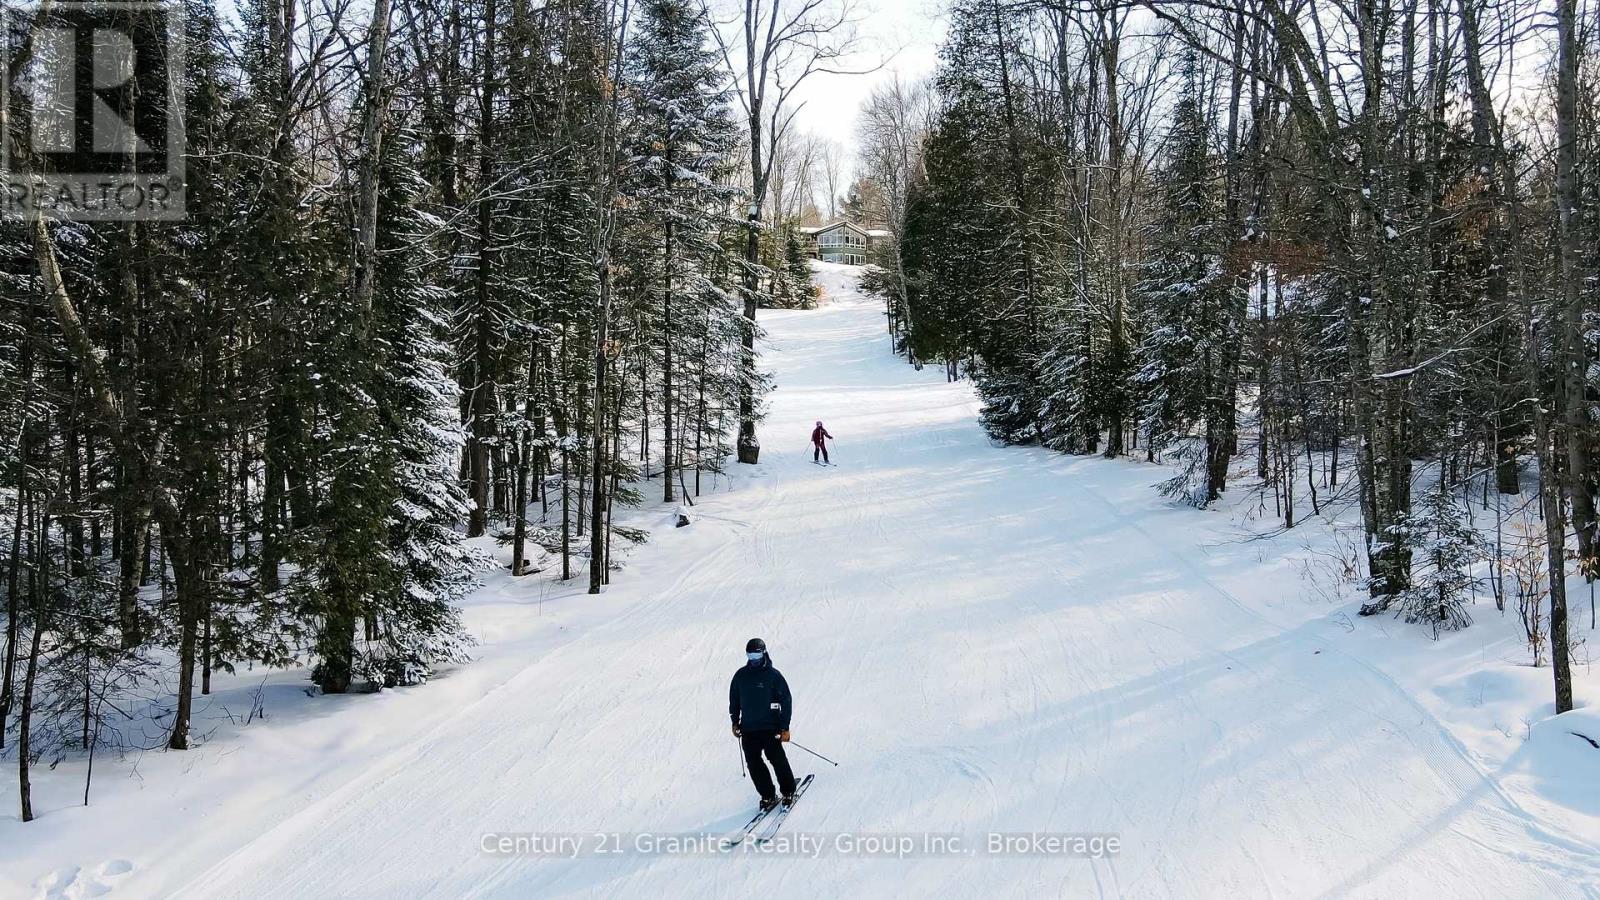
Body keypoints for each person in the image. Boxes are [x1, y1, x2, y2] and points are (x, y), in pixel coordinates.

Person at [729, 638, 797, 810]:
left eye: (756, 654)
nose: (754, 658)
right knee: (753, 763)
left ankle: (788, 791)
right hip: (749, 728)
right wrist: (734, 721)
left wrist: (785, 727)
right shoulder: (740, 676)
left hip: (769, 727)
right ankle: (767, 795)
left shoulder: (773, 676)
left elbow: (786, 701)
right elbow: (734, 700)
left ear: (764, 652)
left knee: (776, 758)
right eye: (750, 655)